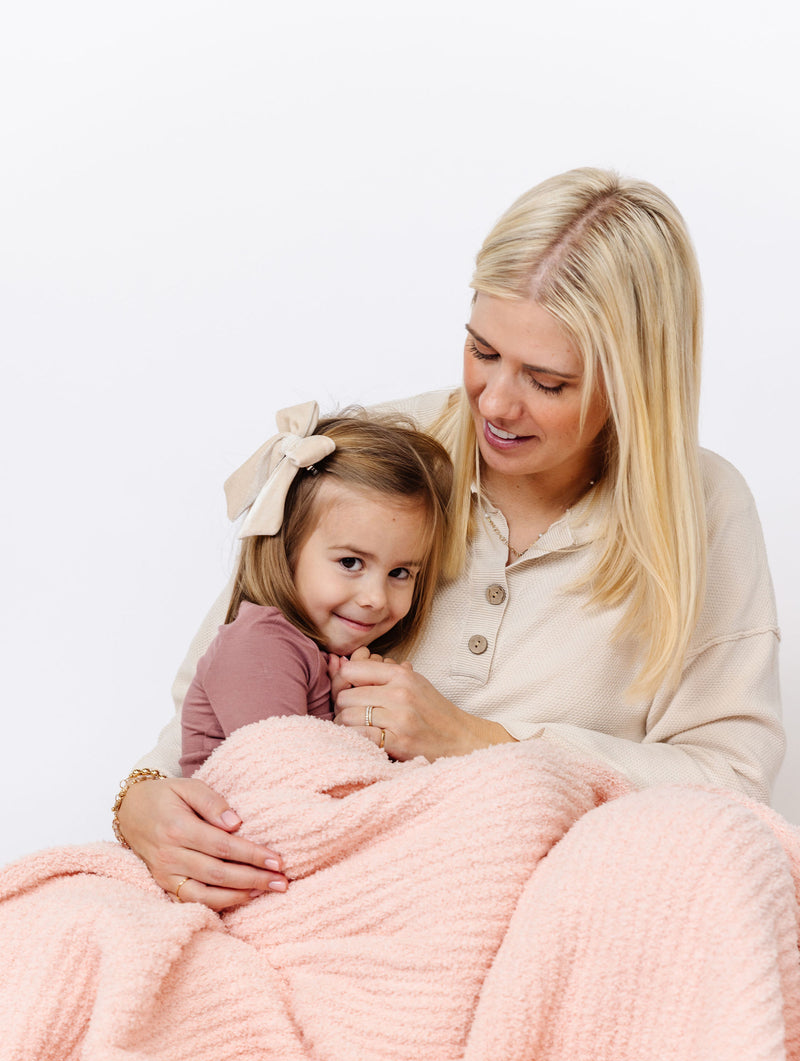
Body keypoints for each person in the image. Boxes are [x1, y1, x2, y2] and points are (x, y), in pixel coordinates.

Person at [115, 166, 785, 911]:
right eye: (482, 350)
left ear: (633, 381)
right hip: (322, 889)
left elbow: (733, 787)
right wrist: (140, 802)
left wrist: (478, 739)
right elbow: (211, 699)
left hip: (539, 907)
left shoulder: (704, 510)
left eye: (548, 381)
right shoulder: (376, 458)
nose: (496, 402)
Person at [179, 403, 452, 778]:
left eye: (401, 572)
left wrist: (348, 705)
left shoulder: (318, 655)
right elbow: (288, 783)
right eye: (351, 563)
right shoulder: (261, 645)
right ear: (286, 549)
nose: (375, 597)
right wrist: (353, 729)